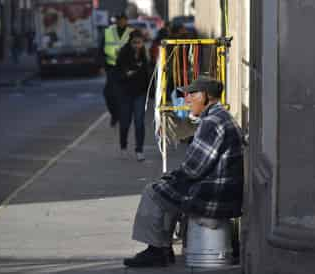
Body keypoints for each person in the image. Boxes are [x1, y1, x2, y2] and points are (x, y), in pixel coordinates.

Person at [123, 76, 244, 267]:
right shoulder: (222, 117)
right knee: (167, 190)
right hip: (222, 190)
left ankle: (156, 251)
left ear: (206, 96)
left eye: (192, 94)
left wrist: (170, 178)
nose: (186, 99)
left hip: (214, 195)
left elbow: (192, 170)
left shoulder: (212, 122)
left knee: (153, 192)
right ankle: (161, 249)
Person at [117, 30, 150, 161]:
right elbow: (119, 73)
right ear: (130, 42)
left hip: (140, 93)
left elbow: (147, 72)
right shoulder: (124, 53)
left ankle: (139, 150)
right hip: (125, 93)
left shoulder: (143, 54)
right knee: (125, 122)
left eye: (140, 42)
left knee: (139, 122)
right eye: (135, 43)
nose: (137, 45)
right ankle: (123, 145)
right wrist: (127, 73)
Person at [99, 13, 133, 127]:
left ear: (126, 21)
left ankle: (124, 116)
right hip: (112, 67)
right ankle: (115, 114)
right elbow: (101, 50)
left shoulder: (131, 32)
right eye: (119, 20)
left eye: (123, 20)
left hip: (126, 68)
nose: (121, 22)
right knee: (108, 94)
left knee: (124, 94)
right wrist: (101, 66)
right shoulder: (108, 32)